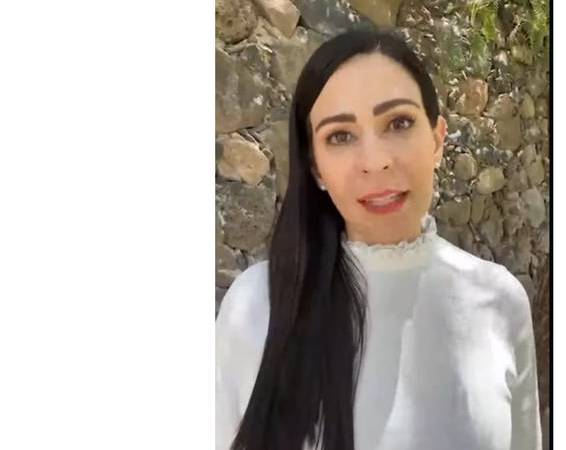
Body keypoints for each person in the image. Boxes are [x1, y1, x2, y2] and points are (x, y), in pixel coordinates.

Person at [216, 29, 543, 450]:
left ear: (438, 139)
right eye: (340, 136)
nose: (375, 162)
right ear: (316, 169)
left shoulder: (500, 301)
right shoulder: (254, 305)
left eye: (399, 123)